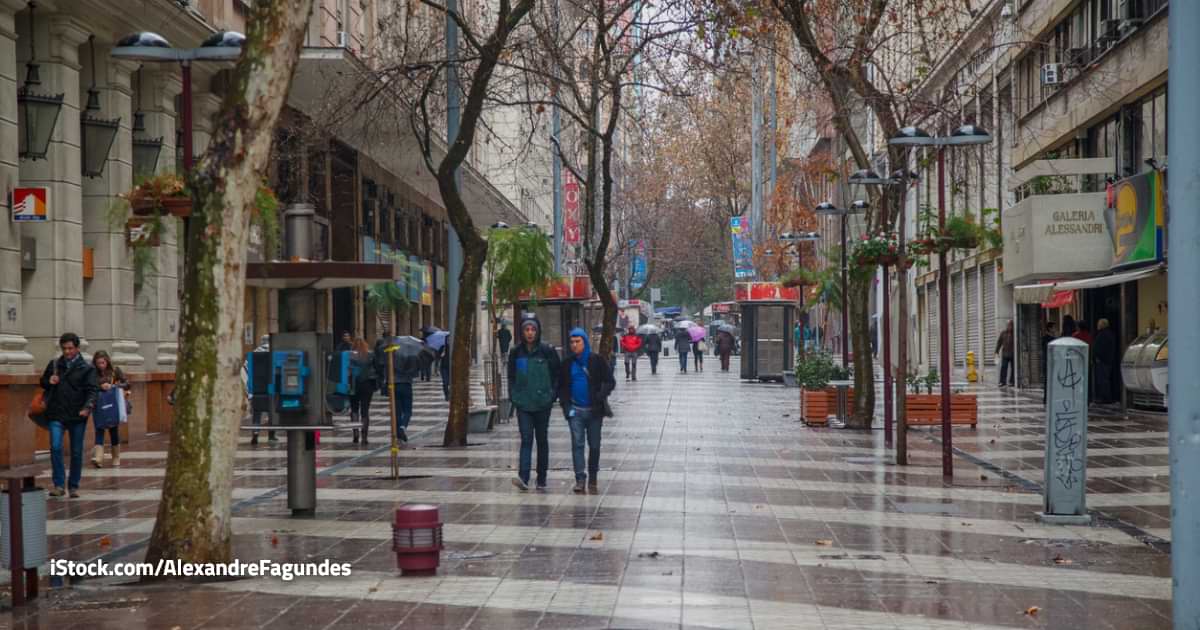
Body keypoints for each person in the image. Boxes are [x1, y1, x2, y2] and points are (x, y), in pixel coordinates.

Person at [39, 333, 99, 498]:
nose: (67, 352)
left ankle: (73, 486)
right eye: (64, 348)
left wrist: (87, 407)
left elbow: (93, 390)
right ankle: (59, 485)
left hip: (77, 414)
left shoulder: (87, 368)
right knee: (55, 447)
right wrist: (49, 381)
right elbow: (43, 382)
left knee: (76, 451)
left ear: (77, 348)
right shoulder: (54, 364)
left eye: (70, 348)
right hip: (56, 413)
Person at [508, 315, 561, 491]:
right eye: (526, 330)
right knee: (526, 439)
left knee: (542, 440)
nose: (530, 333)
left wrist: (551, 396)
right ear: (522, 332)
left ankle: (541, 478)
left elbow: (557, 375)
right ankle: (523, 477)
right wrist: (514, 396)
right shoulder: (516, 352)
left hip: (542, 403)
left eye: (532, 329)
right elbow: (511, 376)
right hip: (523, 404)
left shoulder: (547, 350)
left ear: (538, 331)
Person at [560, 327, 616, 493]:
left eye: (578, 341)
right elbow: (561, 387)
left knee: (594, 445)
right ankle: (580, 478)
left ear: (584, 342)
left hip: (594, 411)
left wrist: (600, 395)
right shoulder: (567, 363)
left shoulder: (596, 360)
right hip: (575, 411)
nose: (574, 345)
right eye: (572, 342)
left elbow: (610, 381)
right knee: (577, 445)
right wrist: (566, 407)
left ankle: (593, 476)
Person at [90, 351, 129, 468]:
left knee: (113, 430)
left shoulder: (114, 371)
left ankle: (116, 457)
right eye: (98, 363)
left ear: (107, 361)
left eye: (103, 362)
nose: (101, 365)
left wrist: (113, 386)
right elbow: (88, 386)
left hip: (112, 403)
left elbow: (127, 383)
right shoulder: (92, 373)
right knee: (99, 428)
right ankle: (98, 458)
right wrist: (100, 386)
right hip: (98, 404)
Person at [245, 335, 277, 445]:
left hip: (256, 389)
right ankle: (271, 436)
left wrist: (249, 390)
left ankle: (255, 434)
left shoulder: (254, 353)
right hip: (271, 389)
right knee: (272, 414)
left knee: (257, 413)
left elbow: (246, 370)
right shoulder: (274, 352)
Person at [392, 341, 424, 443]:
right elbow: (416, 370)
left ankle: (399, 433)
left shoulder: (393, 355)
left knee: (397, 411)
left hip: (395, 384)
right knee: (407, 410)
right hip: (406, 384)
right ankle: (402, 427)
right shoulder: (412, 356)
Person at [349, 338, 376, 444]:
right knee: (365, 410)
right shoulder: (370, 355)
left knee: (354, 409)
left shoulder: (349, 355)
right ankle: (364, 437)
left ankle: (355, 434)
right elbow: (375, 369)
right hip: (367, 385)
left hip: (353, 385)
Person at [1093, 319, 1119, 404]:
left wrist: (1098, 357)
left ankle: (1105, 398)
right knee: (1105, 379)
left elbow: (1099, 348)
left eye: (1099, 324)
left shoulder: (1102, 335)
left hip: (1102, 360)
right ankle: (1106, 397)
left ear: (1102, 325)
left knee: (1102, 379)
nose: (1097, 325)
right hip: (1108, 360)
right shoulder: (1110, 334)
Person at [995, 320, 1015, 388]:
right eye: (1008, 325)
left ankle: (1012, 381)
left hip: (1013, 354)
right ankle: (1002, 382)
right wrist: (996, 351)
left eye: (1010, 325)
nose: (1009, 326)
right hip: (1005, 354)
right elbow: (999, 342)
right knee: (1003, 367)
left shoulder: (1014, 333)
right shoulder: (1003, 333)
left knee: (1013, 368)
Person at [1041, 321, 1057, 404]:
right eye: (1054, 327)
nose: (1055, 329)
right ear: (1050, 328)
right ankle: (1046, 399)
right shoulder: (1046, 338)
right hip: (1048, 362)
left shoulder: (1053, 338)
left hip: (1053, 362)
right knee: (1048, 381)